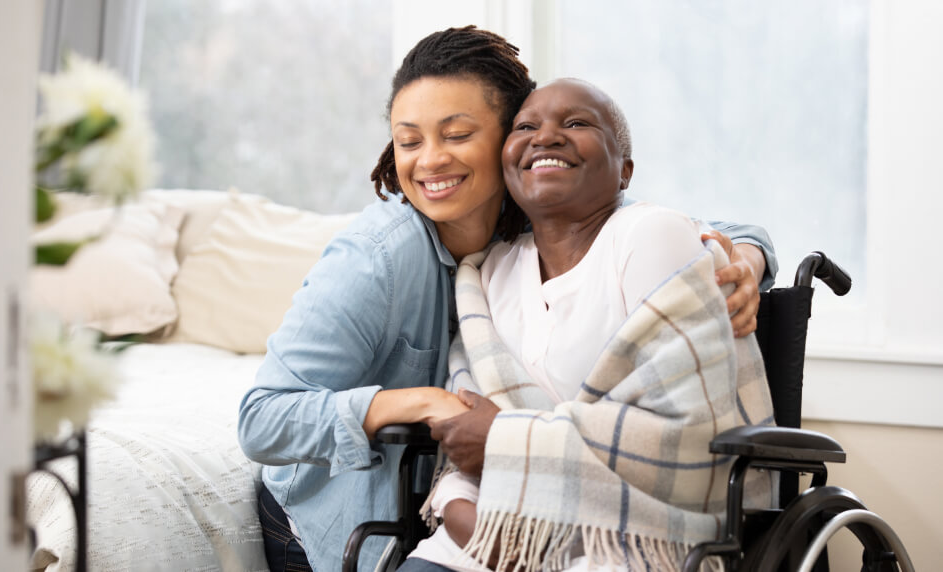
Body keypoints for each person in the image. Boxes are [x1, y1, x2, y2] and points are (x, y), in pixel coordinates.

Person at [237, 28, 776, 572]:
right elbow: (261, 419)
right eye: (410, 141)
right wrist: (424, 403)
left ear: (506, 139)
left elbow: (683, 224)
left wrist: (747, 259)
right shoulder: (378, 256)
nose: (431, 161)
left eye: (457, 134)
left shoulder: (535, 219)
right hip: (341, 517)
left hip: (506, 499)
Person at [404, 79, 775, 571]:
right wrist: (465, 519)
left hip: (630, 537)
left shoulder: (651, 236)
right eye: (526, 127)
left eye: (576, 123)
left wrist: (505, 437)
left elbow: (686, 435)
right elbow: (463, 432)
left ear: (625, 171)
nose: (546, 137)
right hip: (496, 528)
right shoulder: (486, 273)